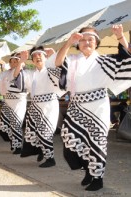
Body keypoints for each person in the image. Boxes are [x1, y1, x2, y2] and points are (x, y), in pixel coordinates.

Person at [55, 24, 131, 191]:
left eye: (90, 40)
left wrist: (120, 37)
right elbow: (58, 62)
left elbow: (128, 59)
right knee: (69, 136)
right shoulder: (73, 60)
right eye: (83, 40)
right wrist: (68, 42)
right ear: (78, 43)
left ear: (96, 43)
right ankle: (88, 170)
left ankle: (97, 177)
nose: (87, 43)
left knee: (97, 143)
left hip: (98, 107)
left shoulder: (105, 61)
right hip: (76, 106)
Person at [14, 46, 65, 167]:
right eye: (34, 56)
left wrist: (54, 55)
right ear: (32, 61)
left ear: (45, 58)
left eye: (40, 55)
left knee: (46, 130)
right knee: (34, 131)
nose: (37, 58)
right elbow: (16, 76)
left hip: (49, 105)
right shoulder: (31, 74)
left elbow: (62, 72)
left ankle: (50, 159)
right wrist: (21, 61)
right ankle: (41, 151)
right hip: (35, 105)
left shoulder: (51, 71)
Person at [0, 53, 29, 154]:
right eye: (12, 62)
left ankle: (17, 146)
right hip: (8, 101)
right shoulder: (6, 73)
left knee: (16, 124)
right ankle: (14, 142)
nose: (13, 63)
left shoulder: (24, 72)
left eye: (16, 61)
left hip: (19, 102)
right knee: (2, 126)